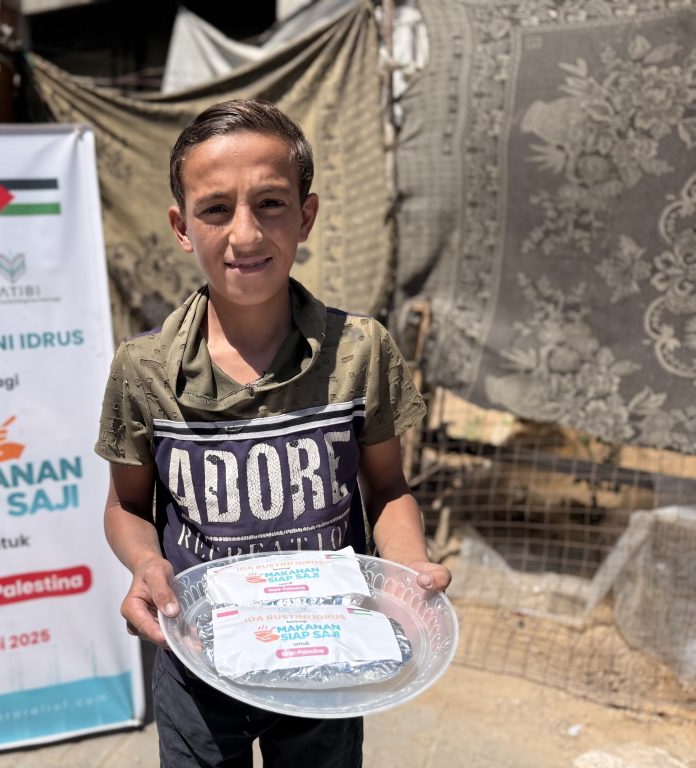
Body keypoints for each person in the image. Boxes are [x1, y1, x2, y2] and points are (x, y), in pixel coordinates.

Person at [94, 98, 451, 768]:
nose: (246, 233)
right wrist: (147, 565)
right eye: (215, 209)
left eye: (270, 204)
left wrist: (405, 572)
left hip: (331, 659)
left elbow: (388, 489)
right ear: (181, 226)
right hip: (201, 665)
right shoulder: (143, 369)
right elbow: (127, 507)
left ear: (306, 215)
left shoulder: (360, 350)